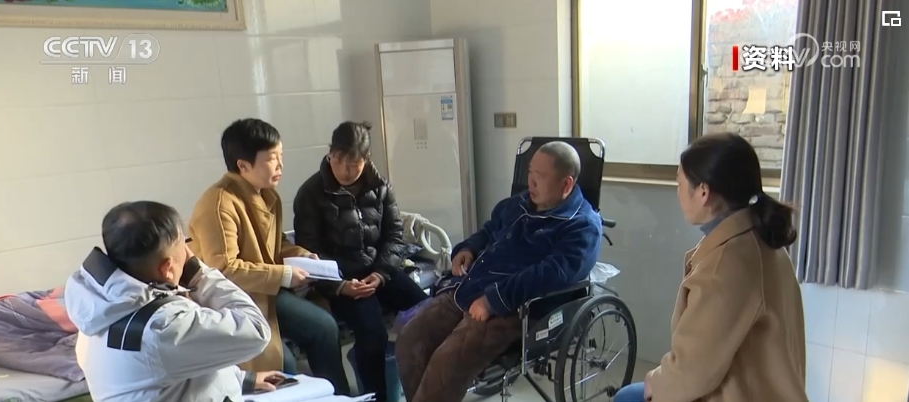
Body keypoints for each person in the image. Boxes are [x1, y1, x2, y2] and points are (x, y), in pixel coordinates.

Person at [394, 141, 603, 402]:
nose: (530, 182)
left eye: (539, 177)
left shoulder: (582, 227)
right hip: (472, 287)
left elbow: (551, 275)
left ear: (566, 185)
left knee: (446, 364)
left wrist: (493, 300)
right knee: (411, 338)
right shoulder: (517, 204)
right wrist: (468, 248)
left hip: (517, 309)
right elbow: (489, 231)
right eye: (529, 172)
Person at [612, 133, 807, 402]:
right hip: (761, 388)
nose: (678, 191)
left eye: (679, 183)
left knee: (627, 398)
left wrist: (654, 381)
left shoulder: (727, 265)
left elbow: (691, 374)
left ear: (703, 192)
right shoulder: (760, 237)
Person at [187, 118, 350, 394]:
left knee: (324, 327)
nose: (280, 165)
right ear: (243, 165)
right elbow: (224, 269)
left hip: (265, 291)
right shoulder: (218, 204)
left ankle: (338, 397)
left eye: (280, 156)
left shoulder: (266, 195)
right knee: (282, 361)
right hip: (231, 301)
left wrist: (302, 255)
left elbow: (275, 245)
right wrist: (285, 275)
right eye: (272, 159)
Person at [64, 201, 285, 401]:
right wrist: (198, 273)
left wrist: (242, 379)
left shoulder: (100, 307)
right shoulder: (164, 325)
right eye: (184, 246)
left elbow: (167, 367)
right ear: (168, 268)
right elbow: (256, 330)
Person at [293, 121, 429, 401]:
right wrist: (340, 286)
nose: (345, 170)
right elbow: (309, 251)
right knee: (373, 333)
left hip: (379, 270)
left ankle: (425, 389)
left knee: (430, 311)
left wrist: (381, 274)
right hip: (340, 278)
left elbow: (394, 236)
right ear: (330, 153)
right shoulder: (311, 194)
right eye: (339, 160)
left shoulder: (379, 186)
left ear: (366, 159)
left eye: (353, 163)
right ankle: (377, 397)